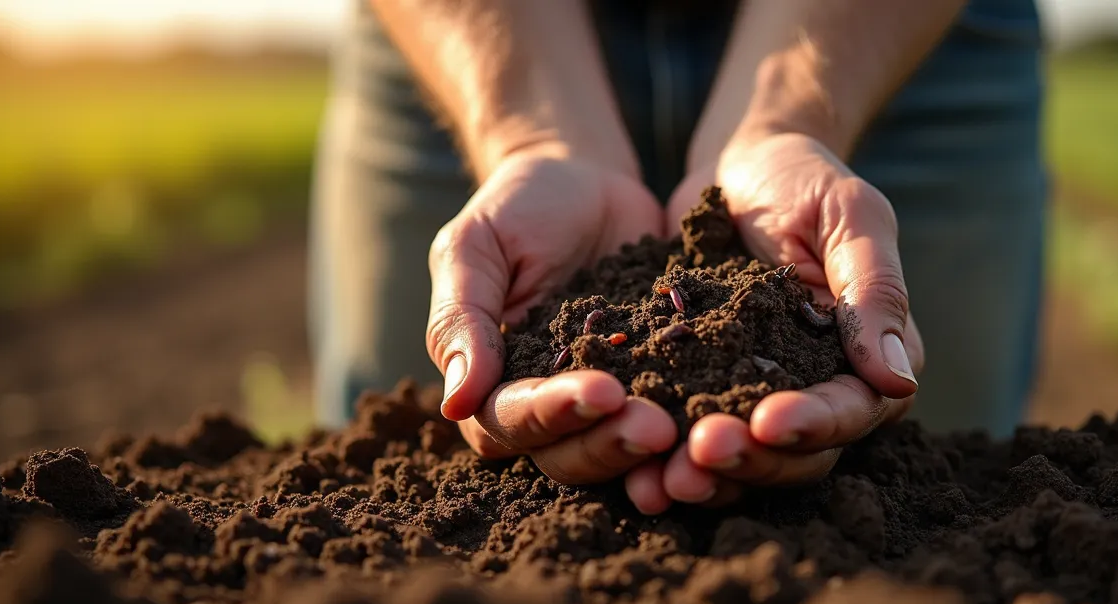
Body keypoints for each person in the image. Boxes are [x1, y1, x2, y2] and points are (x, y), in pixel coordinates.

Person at [309, 0, 1046, 514]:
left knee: (917, 484)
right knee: (417, 479)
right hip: (475, 25)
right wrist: (533, 136)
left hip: (892, 31)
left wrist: (790, 120)